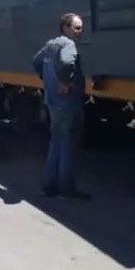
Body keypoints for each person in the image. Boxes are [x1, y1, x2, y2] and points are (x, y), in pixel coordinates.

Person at [31, 12, 91, 201]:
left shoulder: (50, 45)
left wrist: (47, 80)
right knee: (67, 146)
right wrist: (65, 82)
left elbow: (36, 61)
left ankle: (49, 187)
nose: (80, 32)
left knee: (56, 143)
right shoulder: (68, 45)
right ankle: (66, 190)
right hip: (67, 103)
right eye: (77, 28)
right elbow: (67, 62)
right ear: (66, 27)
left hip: (52, 101)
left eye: (81, 28)